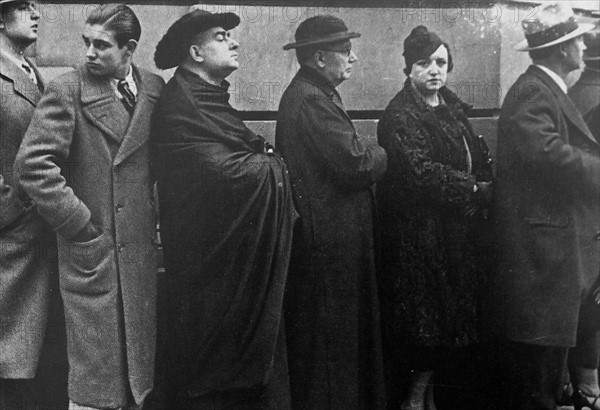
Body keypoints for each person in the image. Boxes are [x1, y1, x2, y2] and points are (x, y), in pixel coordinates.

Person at [14, 4, 164, 409]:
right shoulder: (68, 89)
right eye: (86, 43)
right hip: (92, 254)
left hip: (138, 256)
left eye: (101, 45)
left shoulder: (153, 88)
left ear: (128, 48)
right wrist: (79, 224)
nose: (90, 53)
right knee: (96, 385)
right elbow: (32, 167)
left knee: (138, 382)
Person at [152, 9, 296, 409]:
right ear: (195, 52)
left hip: (233, 263)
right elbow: (216, 174)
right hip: (207, 270)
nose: (234, 42)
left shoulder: (210, 100)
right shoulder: (181, 104)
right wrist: (271, 166)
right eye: (221, 36)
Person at [375, 25, 494, 410]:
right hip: (417, 238)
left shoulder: (451, 108)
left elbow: (475, 155)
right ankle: (414, 403)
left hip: (453, 235)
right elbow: (421, 172)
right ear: (409, 68)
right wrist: (474, 189)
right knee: (425, 330)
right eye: (423, 63)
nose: (434, 71)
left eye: (440, 63)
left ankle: (426, 402)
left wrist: (482, 179)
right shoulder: (399, 115)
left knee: (445, 328)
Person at [491, 3, 600, 409]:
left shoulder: (543, 89)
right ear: (562, 49)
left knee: (549, 384)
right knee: (540, 390)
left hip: (551, 266)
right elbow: (547, 154)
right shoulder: (534, 92)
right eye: (577, 41)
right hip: (543, 267)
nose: (585, 47)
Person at [276, 15, 388, 409]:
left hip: (330, 243)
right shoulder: (311, 99)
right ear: (320, 58)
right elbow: (355, 163)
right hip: (328, 248)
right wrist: (383, 154)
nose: (353, 58)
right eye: (345, 51)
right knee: (330, 351)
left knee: (333, 347)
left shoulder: (312, 94)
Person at [0, 0, 67, 408]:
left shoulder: (31, 73)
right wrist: (11, 214)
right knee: (10, 369)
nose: (36, 13)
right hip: (12, 246)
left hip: (40, 243)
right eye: (24, 7)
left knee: (36, 369)